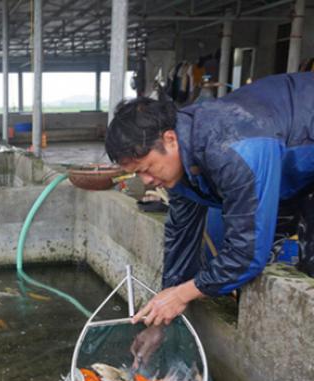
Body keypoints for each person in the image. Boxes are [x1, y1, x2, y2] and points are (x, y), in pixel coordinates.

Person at [104, 73, 314, 366]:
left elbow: (247, 253)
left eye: (147, 168)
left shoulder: (232, 150)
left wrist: (183, 295)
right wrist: (159, 324)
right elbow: (181, 239)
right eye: (138, 173)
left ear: (169, 139)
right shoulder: (182, 164)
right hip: (289, 159)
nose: (148, 181)